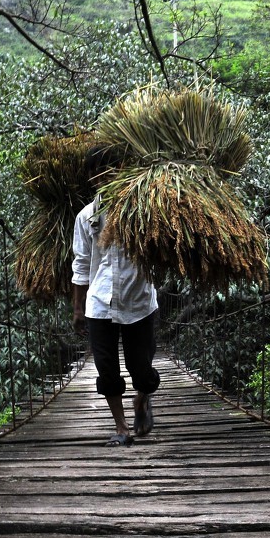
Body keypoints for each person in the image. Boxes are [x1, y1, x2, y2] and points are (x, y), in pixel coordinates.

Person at [71, 146, 159, 446]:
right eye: (97, 173)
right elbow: (81, 265)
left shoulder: (147, 209)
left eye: (109, 170)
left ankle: (142, 399)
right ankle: (121, 428)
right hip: (100, 304)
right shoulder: (86, 217)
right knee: (106, 370)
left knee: (142, 370)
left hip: (140, 301)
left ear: (122, 170)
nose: (102, 178)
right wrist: (78, 309)